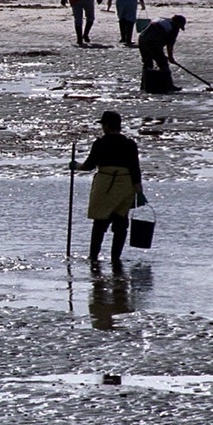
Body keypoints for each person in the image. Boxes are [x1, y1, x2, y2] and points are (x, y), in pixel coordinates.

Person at [70, 111, 145, 264]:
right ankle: (116, 260)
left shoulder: (100, 143)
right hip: (125, 187)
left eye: (103, 124)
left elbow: (89, 166)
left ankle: (93, 258)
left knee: (99, 223)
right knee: (121, 224)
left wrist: (75, 166)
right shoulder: (130, 144)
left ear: (107, 125)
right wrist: (139, 192)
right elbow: (135, 169)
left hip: (105, 186)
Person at [138, 14, 186, 90]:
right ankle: (168, 85)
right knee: (163, 63)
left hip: (142, 38)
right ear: (178, 23)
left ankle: (144, 85)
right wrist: (170, 57)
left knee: (147, 63)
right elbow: (170, 45)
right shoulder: (174, 27)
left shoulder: (161, 19)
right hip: (152, 41)